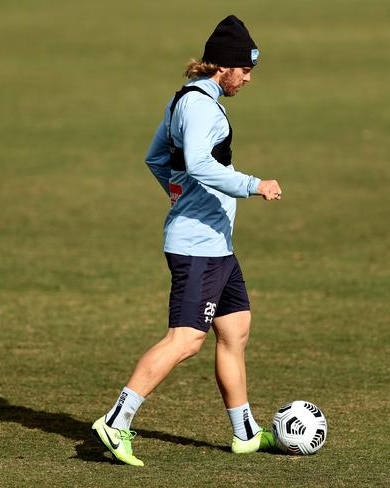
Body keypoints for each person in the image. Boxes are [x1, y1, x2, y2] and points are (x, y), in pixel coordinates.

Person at [92, 15, 283, 467]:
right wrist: (253, 184)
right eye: (246, 69)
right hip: (198, 246)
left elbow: (157, 158)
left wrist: (180, 197)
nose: (249, 78)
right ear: (224, 67)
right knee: (185, 339)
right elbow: (196, 162)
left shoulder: (187, 98)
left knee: (235, 330)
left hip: (215, 243)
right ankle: (116, 421)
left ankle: (245, 433)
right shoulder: (200, 107)